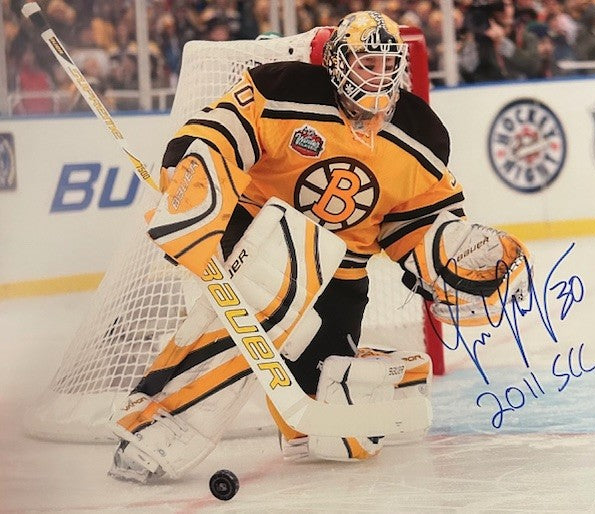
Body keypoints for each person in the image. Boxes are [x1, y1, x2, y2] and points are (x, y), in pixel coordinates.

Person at [108, 10, 531, 483]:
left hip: (342, 273)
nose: (378, 75)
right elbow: (218, 132)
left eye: (387, 65)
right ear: (337, 62)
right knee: (271, 292)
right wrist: (195, 186)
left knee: (338, 438)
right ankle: (157, 424)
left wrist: (449, 252)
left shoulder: (422, 134)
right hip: (258, 231)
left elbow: (416, 220)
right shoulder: (283, 88)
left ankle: (382, 377)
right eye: (366, 63)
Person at [459, 0, 542, 82]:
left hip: (519, 87)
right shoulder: (478, 40)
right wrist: (473, 36)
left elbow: (532, 67)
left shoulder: (526, 37)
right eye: (500, 7)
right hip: (488, 88)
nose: (506, 11)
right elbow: (466, 71)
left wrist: (502, 42)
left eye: (509, 5)